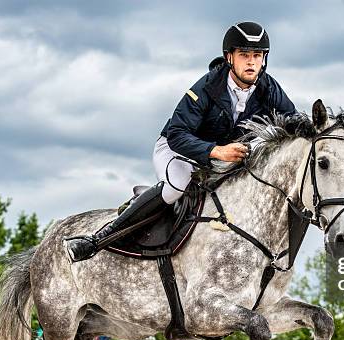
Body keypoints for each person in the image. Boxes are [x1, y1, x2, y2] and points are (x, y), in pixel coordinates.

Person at [65, 21, 298, 262]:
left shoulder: (268, 87)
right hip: (177, 150)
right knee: (179, 181)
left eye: (257, 55)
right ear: (230, 57)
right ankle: (99, 239)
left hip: (219, 158)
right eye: (244, 55)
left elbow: (294, 119)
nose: (251, 62)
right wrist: (216, 151)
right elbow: (177, 134)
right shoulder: (208, 88)